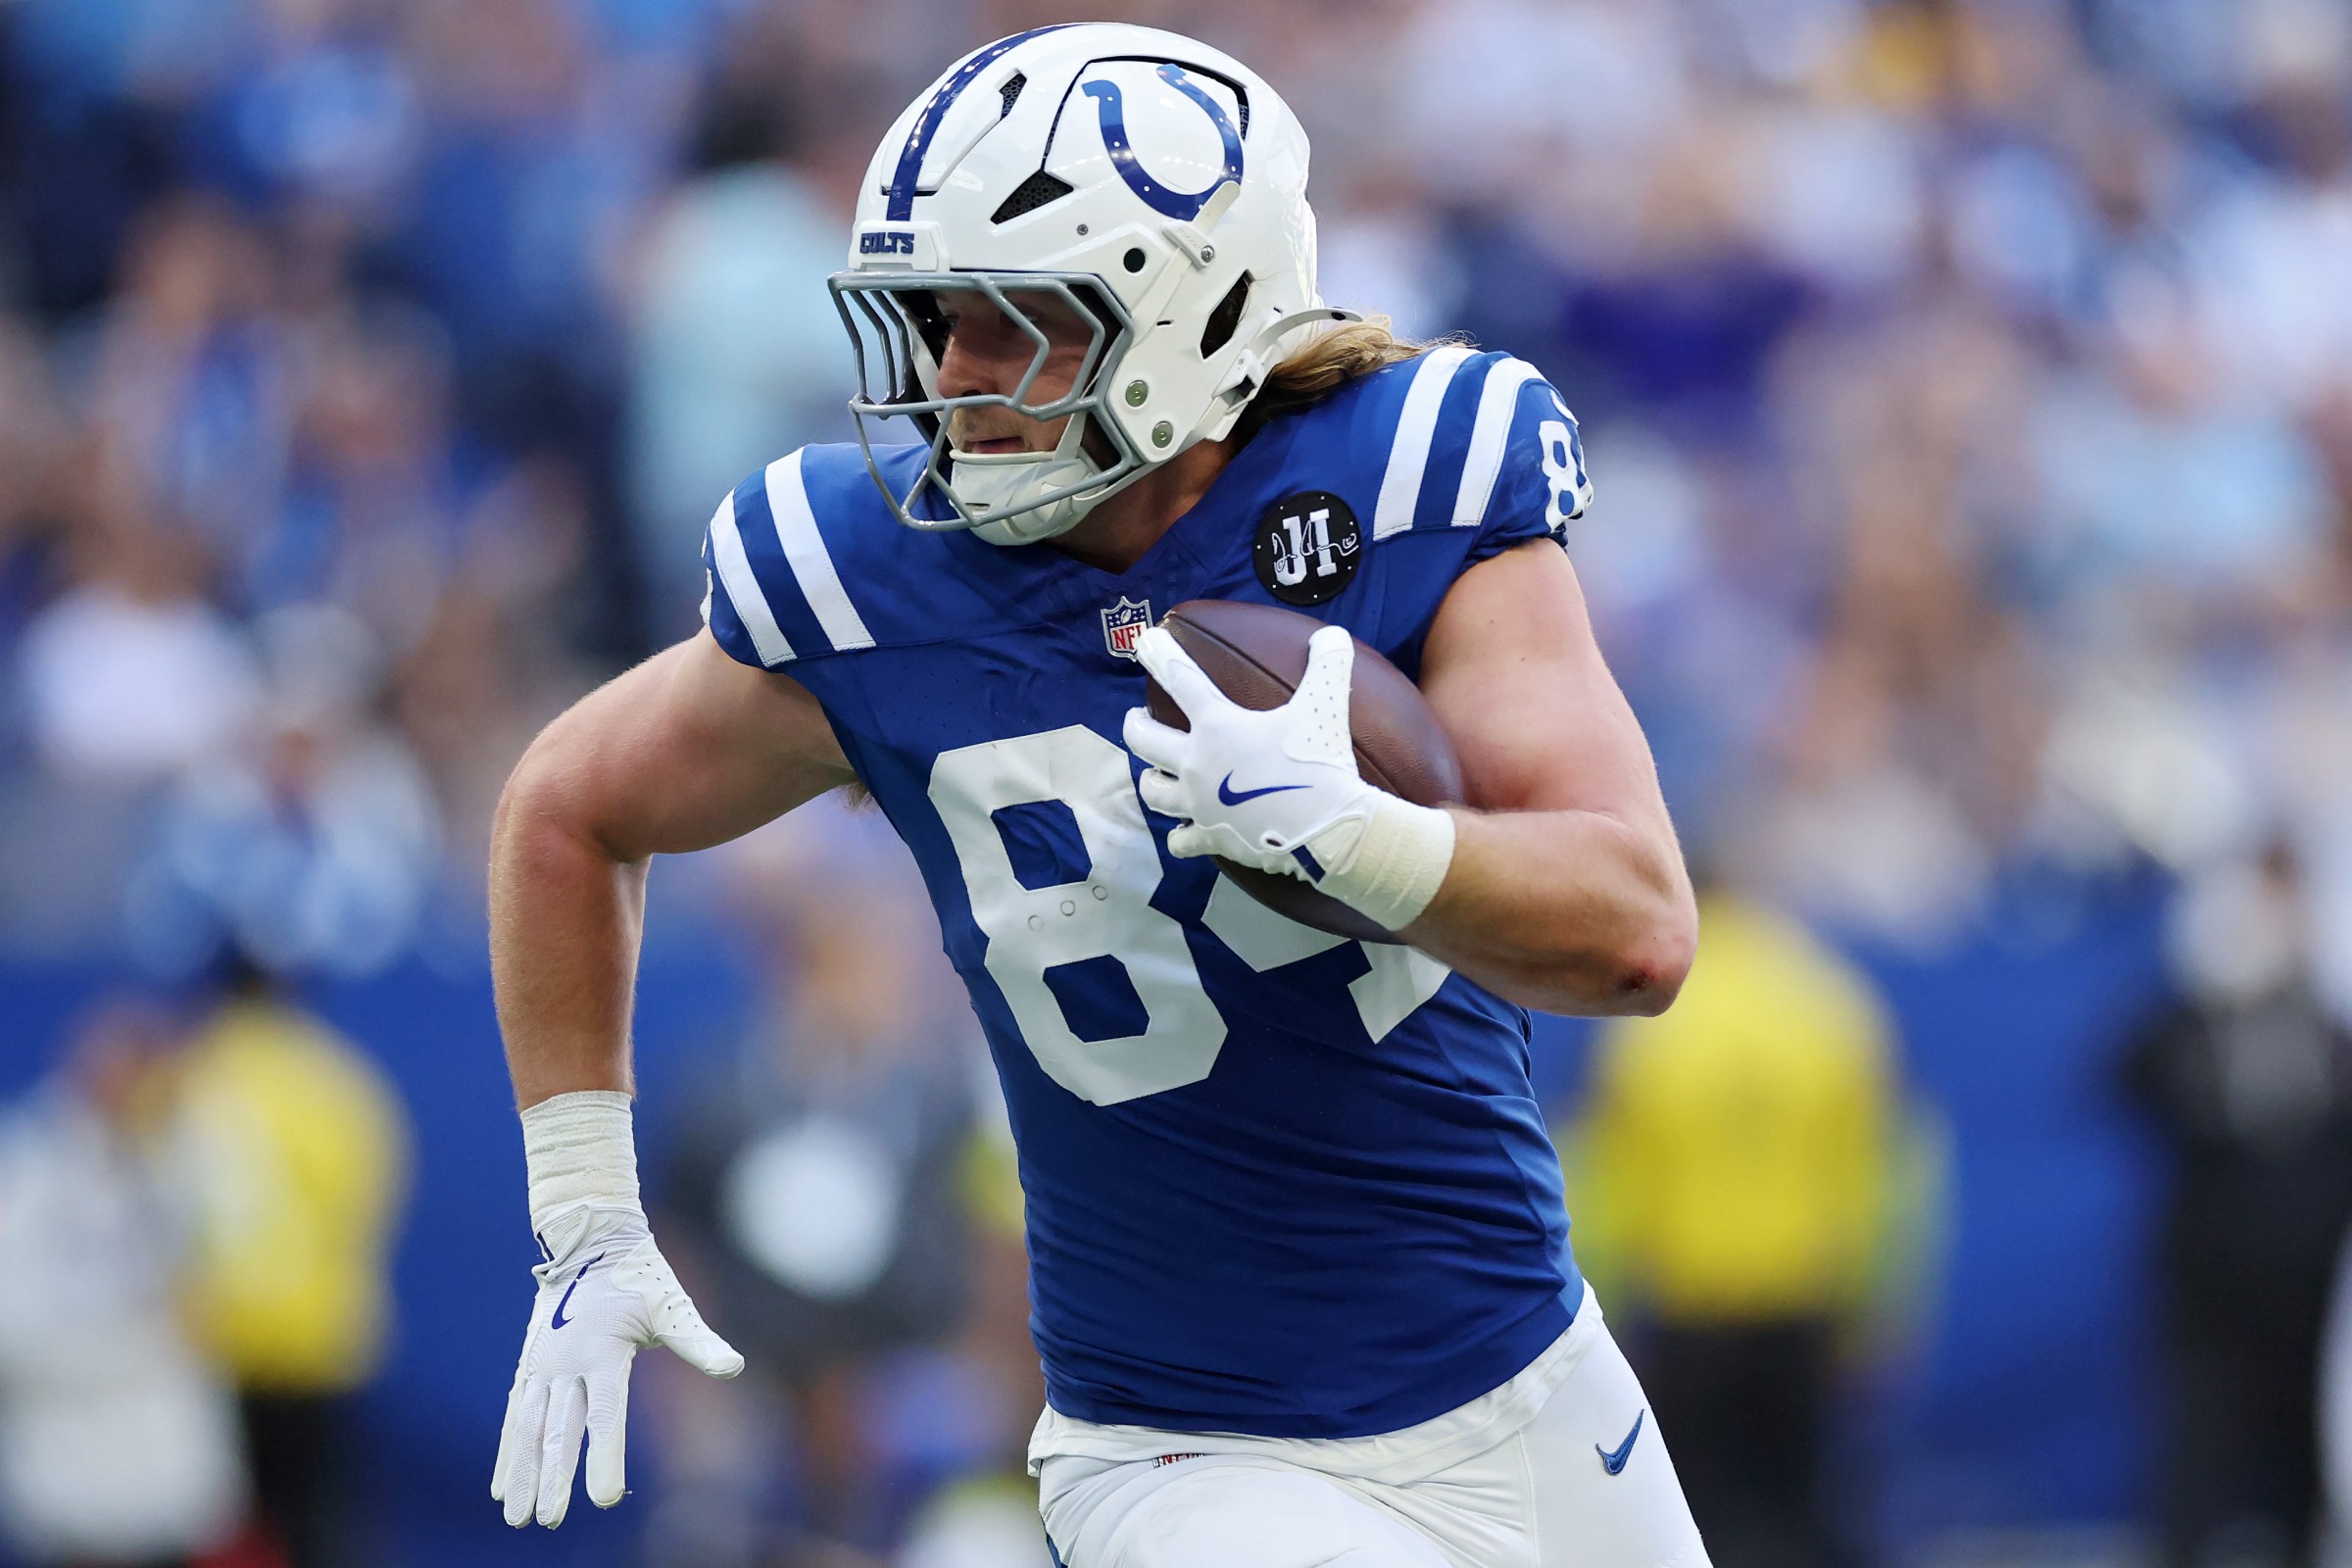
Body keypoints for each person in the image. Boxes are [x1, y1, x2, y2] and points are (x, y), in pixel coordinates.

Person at [487, 24, 1705, 1567]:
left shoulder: (1405, 480)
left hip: (1531, 1382)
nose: (953, 377)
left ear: (1198, 316)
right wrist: (584, 1204)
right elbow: (565, 807)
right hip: (1188, 1450)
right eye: (933, 321)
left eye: (1014, 323)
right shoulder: (872, 577)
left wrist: (1368, 839)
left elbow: (1639, 932)